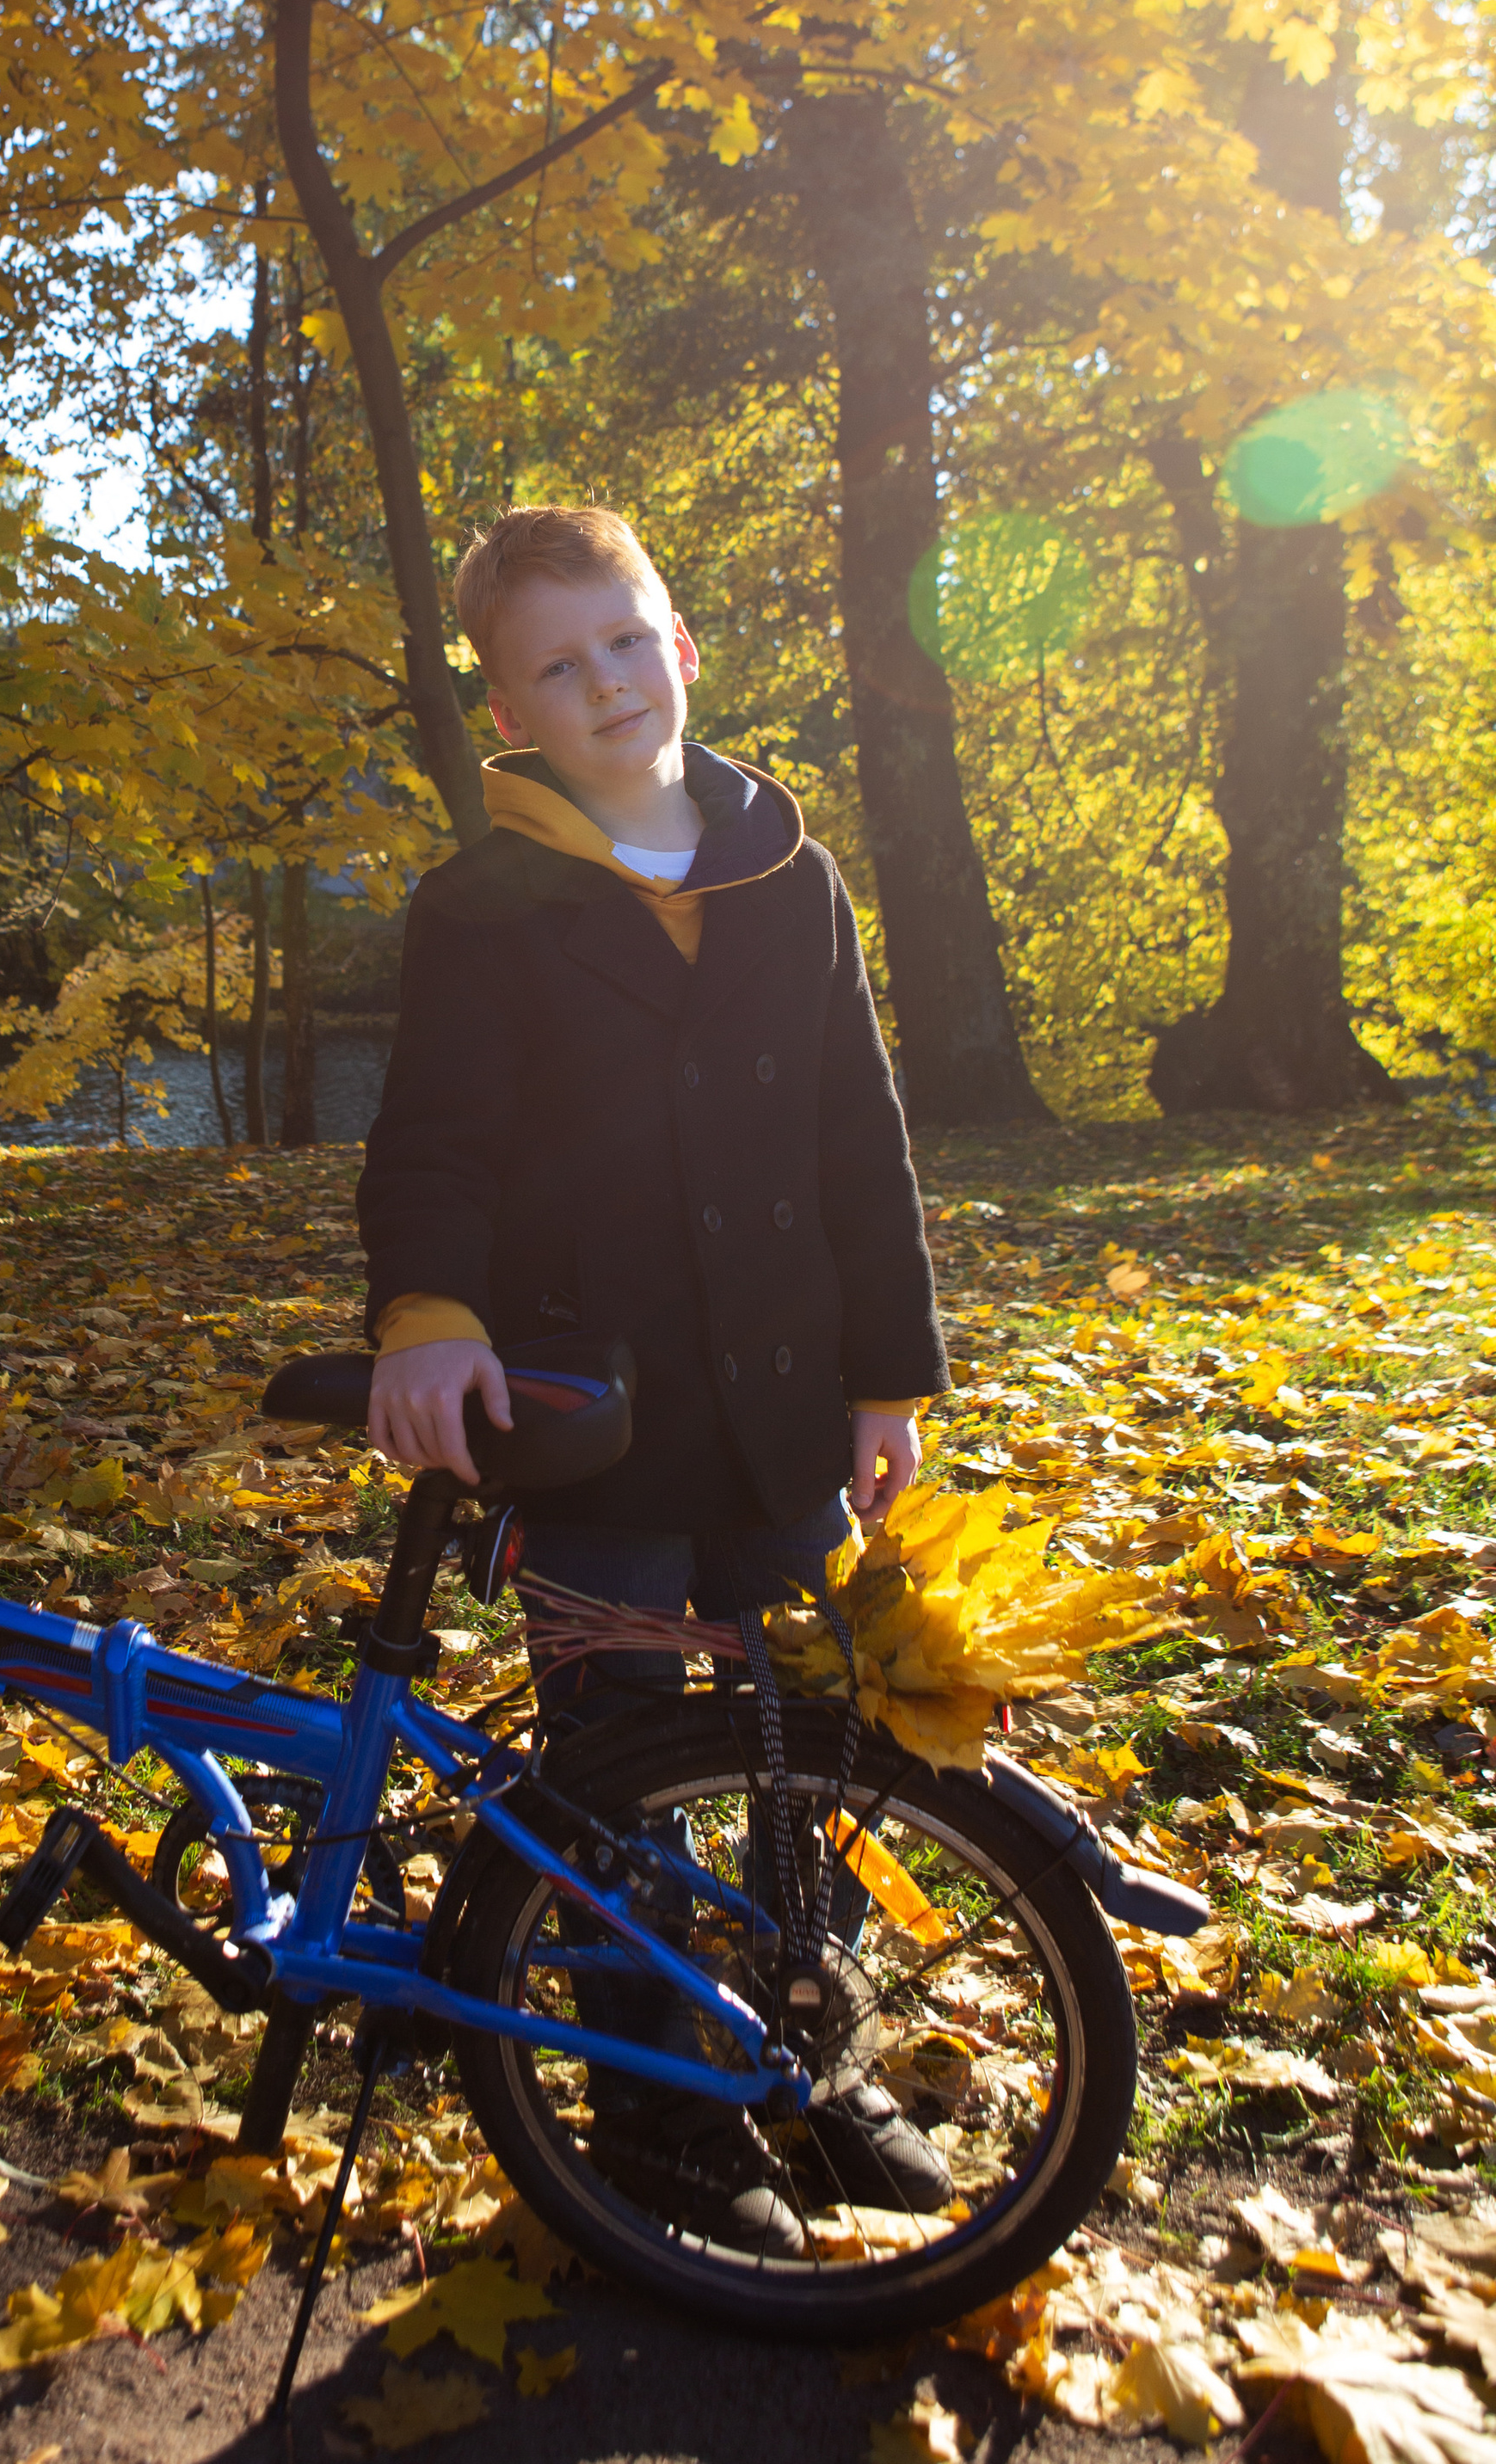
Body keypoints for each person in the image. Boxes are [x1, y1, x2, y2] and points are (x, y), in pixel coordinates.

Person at [357, 503, 952, 2245]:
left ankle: (801, 2063)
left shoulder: (791, 874)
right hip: (593, 1429)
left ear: (681, 649)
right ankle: (661, 2118)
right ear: (512, 716)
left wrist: (883, 1378)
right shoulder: (484, 907)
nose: (604, 680)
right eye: (557, 665)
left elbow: (859, 1141)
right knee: (618, 1775)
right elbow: (435, 1144)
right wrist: (428, 1313)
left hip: (776, 1418)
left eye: (625, 640)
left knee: (802, 1759)